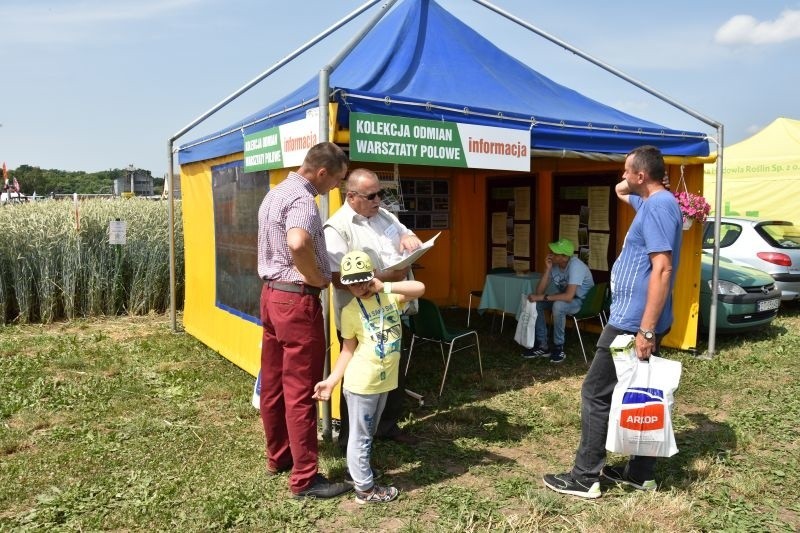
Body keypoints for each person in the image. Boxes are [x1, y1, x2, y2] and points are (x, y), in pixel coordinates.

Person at [543, 145, 683, 498]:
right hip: (639, 319)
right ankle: (639, 473)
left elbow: (662, 269)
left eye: (626, 170)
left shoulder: (657, 207)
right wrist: (643, 178)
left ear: (641, 175)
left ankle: (585, 476)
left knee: (596, 392)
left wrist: (646, 329)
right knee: (643, 392)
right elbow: (622, 190)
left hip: (632, 322)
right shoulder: (653, 202)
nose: (621, 176)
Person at [257, 141, 351, 500]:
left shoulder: (276, 192)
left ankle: (278, 457)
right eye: (337, 180)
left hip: (271, 295)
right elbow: (297, 242)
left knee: (275, 383)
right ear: (322, 172)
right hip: (297, 301)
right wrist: (316, 278)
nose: (336, 188)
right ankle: (305, 479)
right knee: (301, 391)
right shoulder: (303, 202)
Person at [313, 250, 425, 504]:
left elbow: (419, 287)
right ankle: (364, 489)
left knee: (369, 432)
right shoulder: (350, 311)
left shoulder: (389, 296)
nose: (360, 287)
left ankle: (359, 472)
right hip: (362, 384)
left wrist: (384, 284)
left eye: (364, 280)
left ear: (372, 275)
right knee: (361, 436)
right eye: (353, 283)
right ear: (346, 284)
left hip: (384, 381)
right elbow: (347, 350)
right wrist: (331, 381)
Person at [324, 168, 422, 451]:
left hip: (391, 307)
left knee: (394, 365)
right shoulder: (337, 227)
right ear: (351, 196)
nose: (379, 199)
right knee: (357, 375)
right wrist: (389, 277)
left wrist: (408, 239)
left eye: (381, 193)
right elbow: (338, 278)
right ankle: (349, 439)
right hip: (358, 317)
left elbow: (405, 233)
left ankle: (388, 425)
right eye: (372, 195)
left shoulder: (384, 214)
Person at [521, 238, 594, 363]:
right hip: (565, 298)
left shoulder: (576, 266)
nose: (550, 254)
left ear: (565, 257)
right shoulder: (554, 265)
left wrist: (543, 297)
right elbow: (539, 292)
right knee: (536, 302)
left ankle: (558, 347)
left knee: (558, 305)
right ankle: (542, 346)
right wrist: (547, 269)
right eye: (551, 251)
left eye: (555, 253)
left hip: (583, 302)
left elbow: (569, 296)